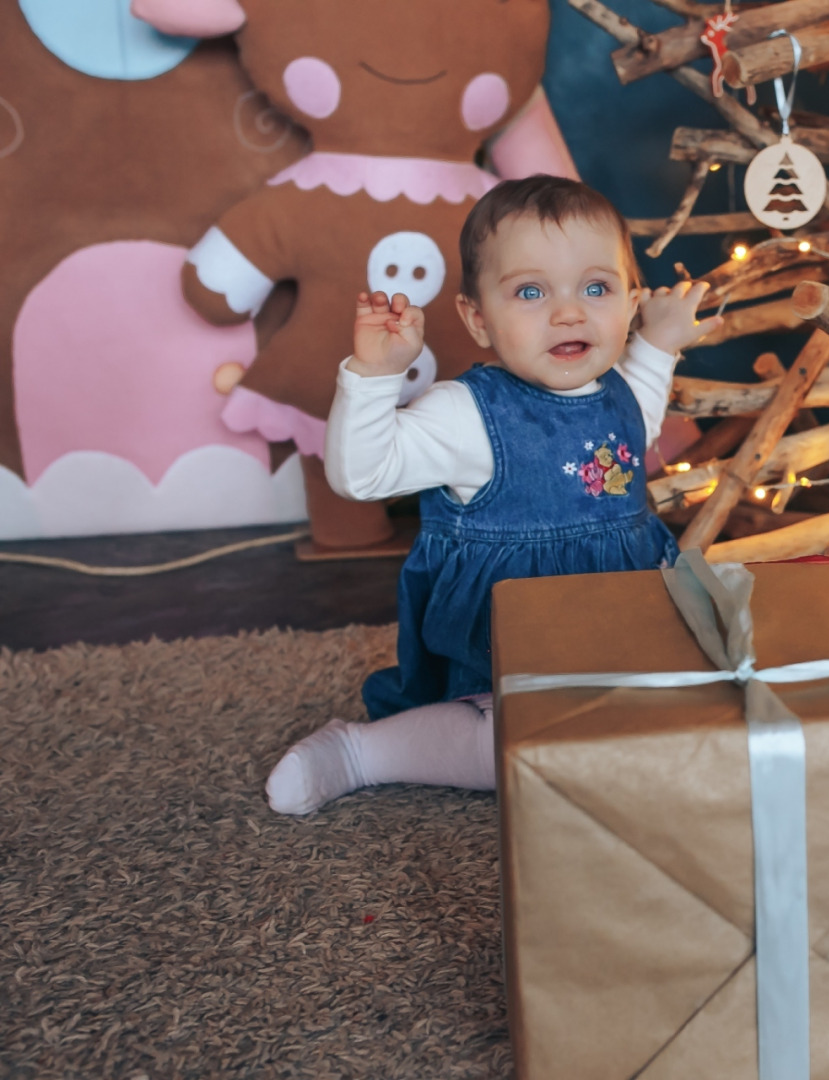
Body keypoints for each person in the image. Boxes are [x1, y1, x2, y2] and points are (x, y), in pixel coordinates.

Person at [265, 175, 722, 815]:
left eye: (596, 288)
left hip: (622, 613)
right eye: (530, 292)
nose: (569, 311)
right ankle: (363, 752)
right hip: (514, 632)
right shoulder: (467, 414)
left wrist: (658, 343)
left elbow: (638, 417)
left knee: (707, 695)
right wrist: (375, 375)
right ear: (477, 318)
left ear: (629, 300)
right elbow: (361, 478)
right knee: (514, 740)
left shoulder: (615, 388)